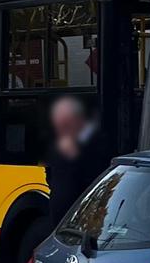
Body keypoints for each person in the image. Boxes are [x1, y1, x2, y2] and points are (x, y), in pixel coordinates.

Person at [45, 96, 110, 226]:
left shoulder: (95, 142)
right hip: (59, 213)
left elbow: (95, 177)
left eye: (64, 121)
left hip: (81, 212)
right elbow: (49, 172)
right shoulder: (59, 144)